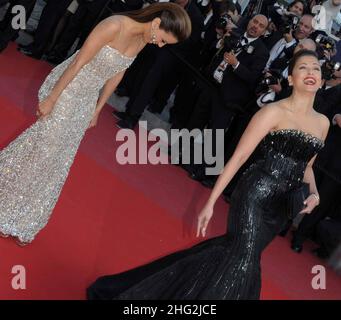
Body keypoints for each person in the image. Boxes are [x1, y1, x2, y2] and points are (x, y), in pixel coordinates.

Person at [87, 49, 329, 300]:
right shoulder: (273, 112)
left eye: (315, 68)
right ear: (290, 79)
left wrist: (315, 193)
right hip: (255, 195)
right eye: (303, 67)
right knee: (243, 262)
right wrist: (210, 202)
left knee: (231, 256)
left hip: (280, 209)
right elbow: (239, 157)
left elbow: (308, 167)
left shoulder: (321, 123)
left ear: (322, 80)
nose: (310, 72)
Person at [0, 2, 191, 245]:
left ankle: (23, 218)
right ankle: (6, 210)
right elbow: (78, 62)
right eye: (163, 39)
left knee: (60, 158)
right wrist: (51, 98)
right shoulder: (114, 25)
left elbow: (118, 72)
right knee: (43, 150)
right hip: (68, 88)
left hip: (86, 99)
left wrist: (98, 109)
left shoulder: (143, 39)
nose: (159, 44)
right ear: (156, 23)